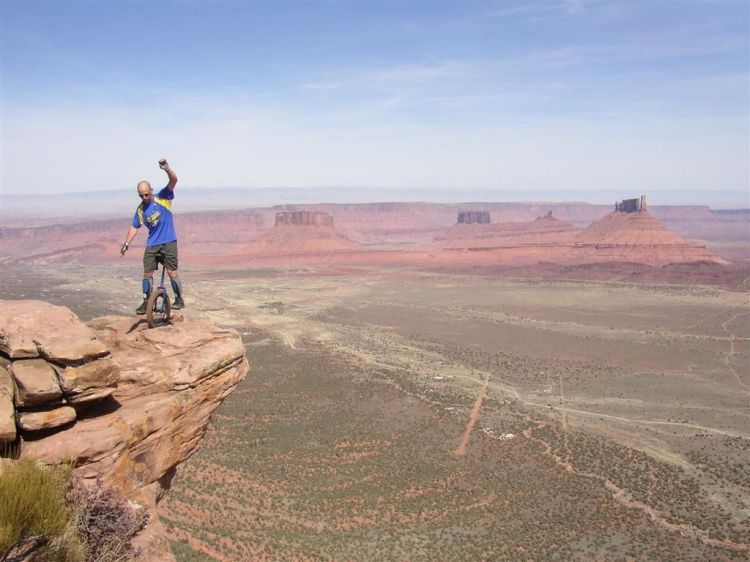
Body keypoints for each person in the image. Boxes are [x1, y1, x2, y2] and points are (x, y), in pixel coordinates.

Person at [120, 158, 184, 314]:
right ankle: (146, 301)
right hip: (152, 245)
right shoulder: (141, 209)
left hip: (168, 242)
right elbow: (135, 226)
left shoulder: (163, 197)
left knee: (172, 272)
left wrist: (167, 168)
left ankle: (179, 299)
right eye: (141, 196)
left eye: (146, 194)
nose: (144, 198)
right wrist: (126, 243)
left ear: (151, 191)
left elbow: (174, 180)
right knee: (147, 273)